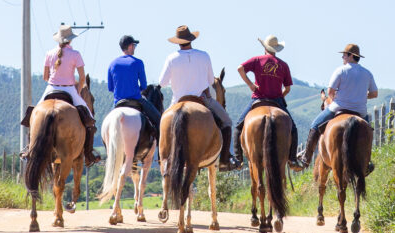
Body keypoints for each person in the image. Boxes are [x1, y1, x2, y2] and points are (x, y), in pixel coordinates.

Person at [158, 25, 240, 172]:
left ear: (177, 42)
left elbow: (162, 83)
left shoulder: (171, 58)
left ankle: (163, 158)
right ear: (191, 39)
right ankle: (224, 160)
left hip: (177, 101)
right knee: (227, 122)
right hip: (202, 99)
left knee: (162, 124)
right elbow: (210, 81)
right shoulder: (204, 55)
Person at [298, 43, 378, 171]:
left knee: (314, 125)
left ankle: (305, 159)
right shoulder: (367, 73)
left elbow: (330, 92)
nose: (342, 58)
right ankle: (366, 162)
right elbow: (374, 94)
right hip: (360, 112)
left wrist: (340, 97)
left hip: (338, 108)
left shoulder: (341, 70)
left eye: (344, 55)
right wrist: (360, 96)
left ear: (351, 56)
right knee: (368, 131)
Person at [233, 35, 306, 171]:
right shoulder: (283, 65)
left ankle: (238, 160)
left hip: (258, 99)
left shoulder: (257, 60)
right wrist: (280, 96)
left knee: (238, 126)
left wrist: (250, 85)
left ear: (265, 48)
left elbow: (239, 68)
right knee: (294, 129)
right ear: (276, 49)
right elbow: (288, 88)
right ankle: (292, 159)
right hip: (277, 101)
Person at [39, 24, 101, 166]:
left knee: (33, 115)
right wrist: (78, 91)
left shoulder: (49, 54)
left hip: (50, 88)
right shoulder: (76, 54)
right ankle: (89, 153)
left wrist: (55, 82)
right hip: (69, 90)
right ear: (70, 40)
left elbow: (45, 77)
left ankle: (29, 148)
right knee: (90, 119)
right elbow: (82, 78)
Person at [107, 34, 163, 145]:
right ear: (130, 46)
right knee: (160, 120)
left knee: (108, 125)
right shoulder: (138, 62)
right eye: (134, 45)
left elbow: (110, 88)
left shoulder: (112, 64)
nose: (135, 48)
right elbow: (143, 85)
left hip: (118, 102)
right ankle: (162, 149)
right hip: (136, 99)